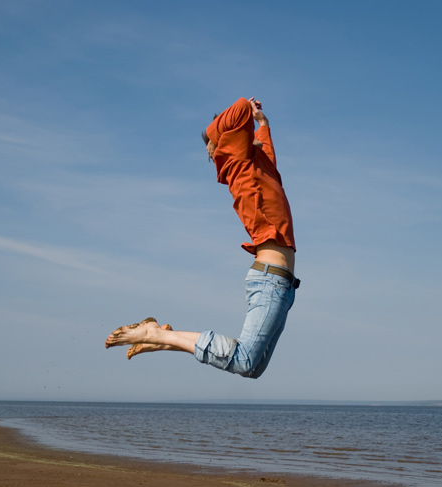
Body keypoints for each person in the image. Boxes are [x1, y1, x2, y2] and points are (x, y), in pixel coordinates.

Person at [105, 97, 298, 379]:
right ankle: (155, 334)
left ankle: (161, 338)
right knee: (244, 361)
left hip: (282, 283)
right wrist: (219, 128)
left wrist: (263, 122)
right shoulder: (238, 163)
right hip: (270, 277)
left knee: (253, 367)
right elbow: (241, 108)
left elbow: (264, 143)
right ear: (228, 142)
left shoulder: (260, 165)